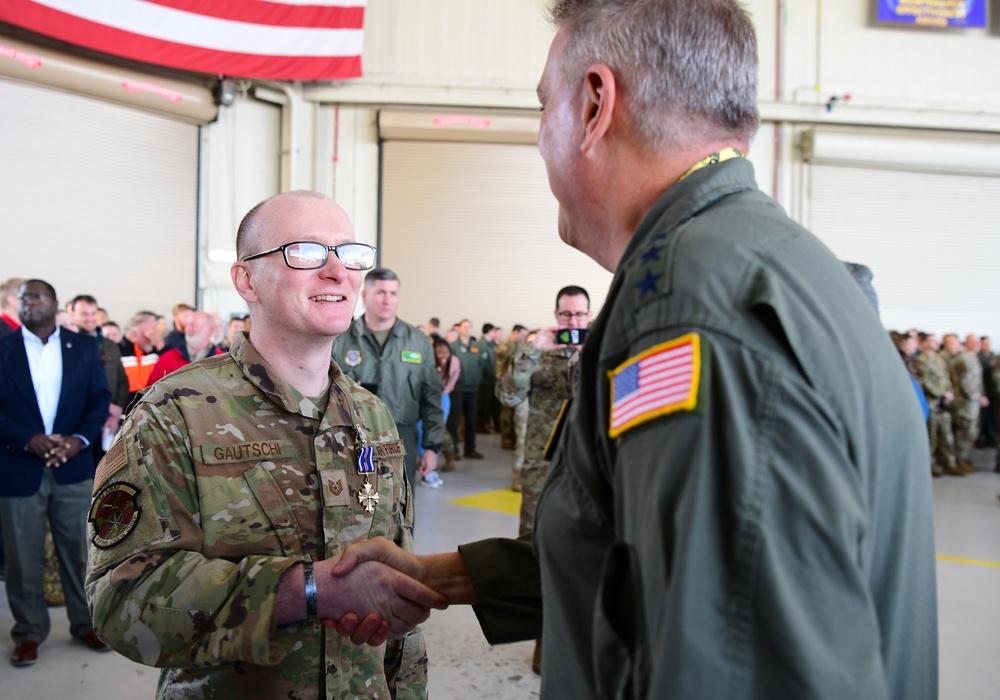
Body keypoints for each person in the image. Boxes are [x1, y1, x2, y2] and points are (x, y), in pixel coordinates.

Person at [329, 2, 938, 698]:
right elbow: (649, 556)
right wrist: (442, 576)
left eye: (542, 107)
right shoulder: (779, 263)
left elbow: (731, 655)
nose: (539, 142)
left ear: (595, 105)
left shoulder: (689, 310)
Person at [86, 191, 446, 698]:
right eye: (306, 252)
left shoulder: (371, 415)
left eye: (348, 253)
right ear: (245, 280)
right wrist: (308, 590)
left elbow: (396, 616)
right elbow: (120, 600)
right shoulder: (175, 414)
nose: (337, 271)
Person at [0, 280, 112, 666]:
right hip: (18, 466)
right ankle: (29, 632)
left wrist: (79, 439)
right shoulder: (4, 347)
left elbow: (99, 398)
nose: (29, 302)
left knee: (79, 553)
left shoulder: (82, 345)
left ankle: (86, 624)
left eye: (38, 296)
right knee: (22, 556)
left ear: (54, 304)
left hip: (72, 465)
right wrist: (27, 438)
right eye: (24, 297)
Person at [495, 284, 589, 672]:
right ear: (555, 316)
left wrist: (588, 356)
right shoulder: (534, 354)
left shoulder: (600, 350)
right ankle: (541, 640)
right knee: (534, 552)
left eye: (580, 316)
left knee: (585, 555)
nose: (573, 323)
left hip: (587, 470)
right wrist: (535, 350)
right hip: (540, 469)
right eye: (566, 316)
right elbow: (507, 396)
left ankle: (578, 641)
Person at [331, 267, 446, 492]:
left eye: (393, 294)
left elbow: (431, 397)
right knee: (357, 503)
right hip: (352, 436)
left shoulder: (417, 341)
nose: (387, 300)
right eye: (381, 292)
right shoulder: (342, 339)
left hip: (402, 435)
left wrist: (431, 447)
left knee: (401, 504)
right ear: (365, 296)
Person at [144, 310, 223, 385]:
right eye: (187, 325)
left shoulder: (223, 361)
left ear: (209, 329)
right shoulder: (168, 359)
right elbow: (148, 395)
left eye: (193, 325)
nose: (188, 329)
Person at [447, 319, 484, 459]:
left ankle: (470, 449)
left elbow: (481, 366)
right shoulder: (453, 346)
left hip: (473, 389)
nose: (467, 329)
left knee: (471, 421)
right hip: (458, 389)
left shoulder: (476, 346)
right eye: (465, 327)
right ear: (460, 329)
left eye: (470, 327)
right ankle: (453, 449)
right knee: (454, 421)